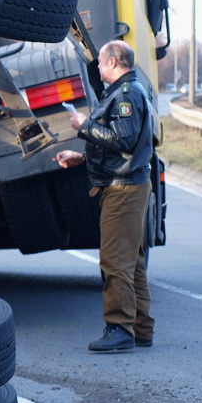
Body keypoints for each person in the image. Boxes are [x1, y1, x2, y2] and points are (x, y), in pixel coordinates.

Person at [53, 40, 154, 353]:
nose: (96, 67)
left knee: (115, 262)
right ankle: (139, 328)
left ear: (112, 62)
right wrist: (81, 157)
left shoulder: (126, 95)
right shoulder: (125, 92)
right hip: (126, 183)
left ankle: (119, 328)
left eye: (99, 62)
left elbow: (121, 139)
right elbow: (123, 146)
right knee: (131, 262)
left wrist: (84, 126)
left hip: (122, 189)